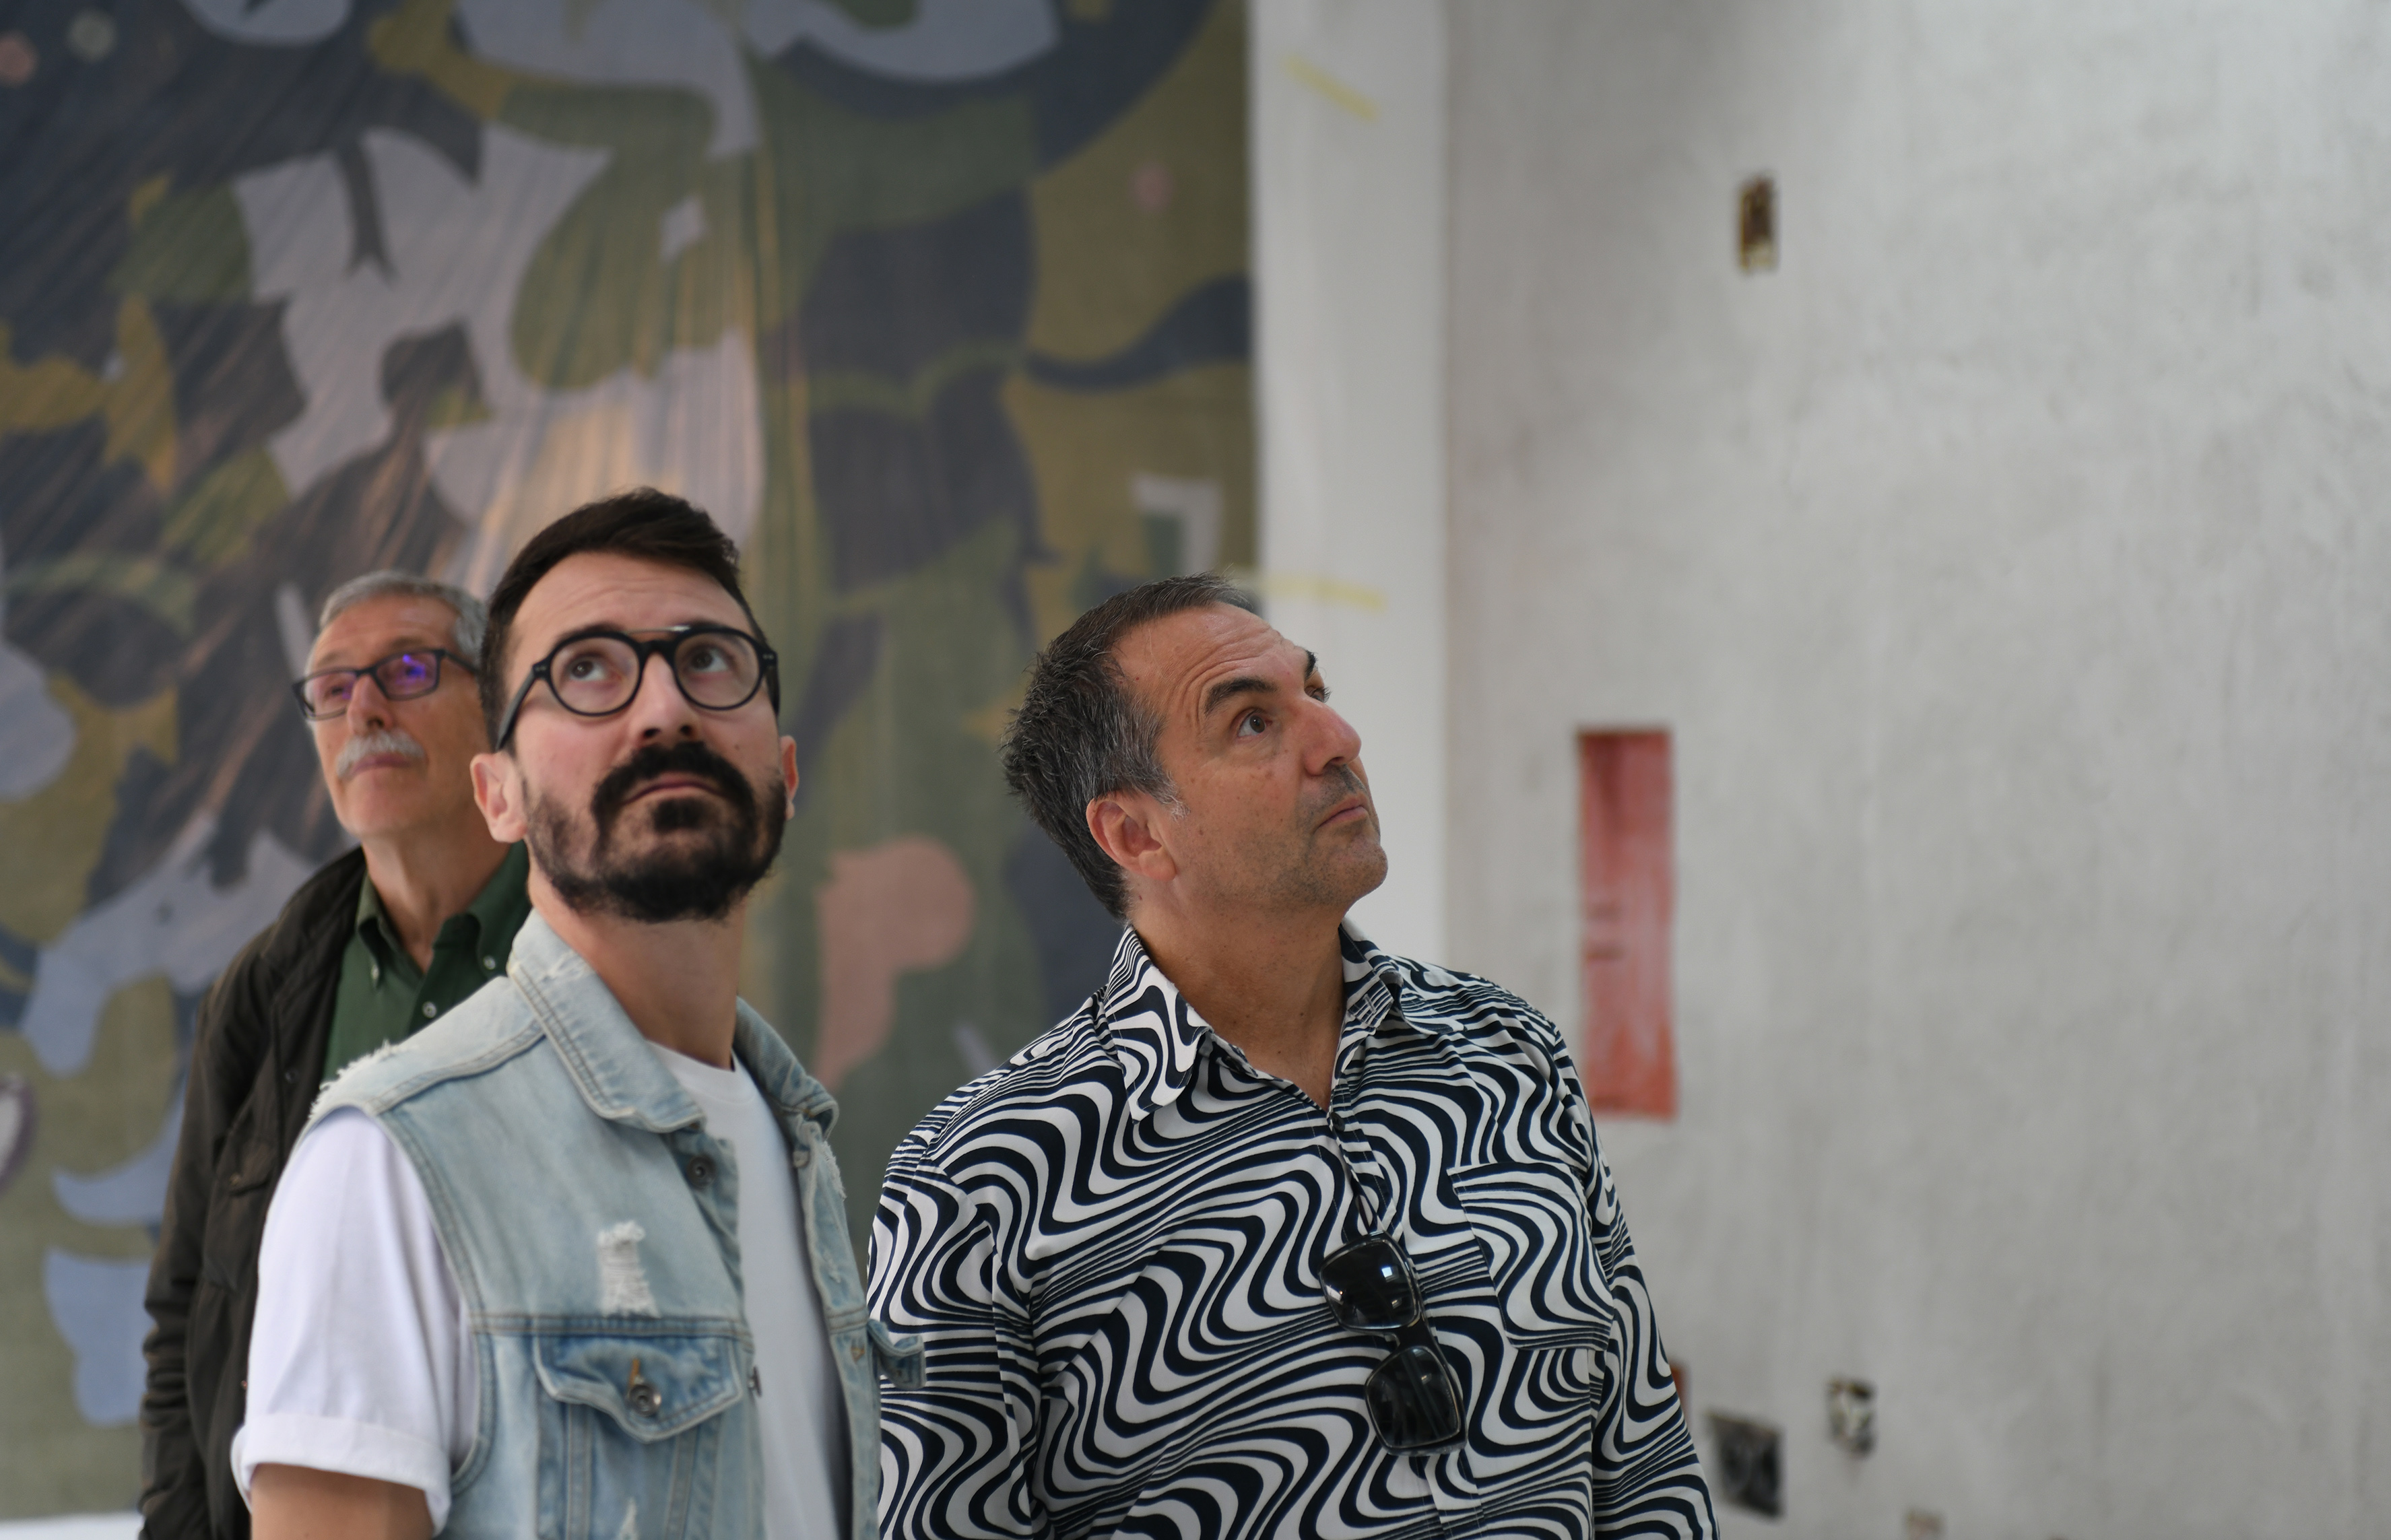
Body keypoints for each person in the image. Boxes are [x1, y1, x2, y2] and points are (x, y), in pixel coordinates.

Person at [872, 575, 1718, 1539]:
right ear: (1136, 834)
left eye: (1315, 691)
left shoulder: (1507, 1054)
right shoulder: (985, 1179)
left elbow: (1645, 1469)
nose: (1338, 738)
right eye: (1252, 723)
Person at [232, 490, 904, 1540]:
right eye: (586, 670)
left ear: (784, 772)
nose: (664, 709)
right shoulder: (389, 1161)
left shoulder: (796, 1143)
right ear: (496, 795)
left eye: (708, 660)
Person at [140, 571, 529, 1540]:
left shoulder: (596, 948)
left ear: (500, 704)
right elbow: (189, 1311)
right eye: (331, 687)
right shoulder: (263, 993)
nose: (364, 710)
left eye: (408, 669)